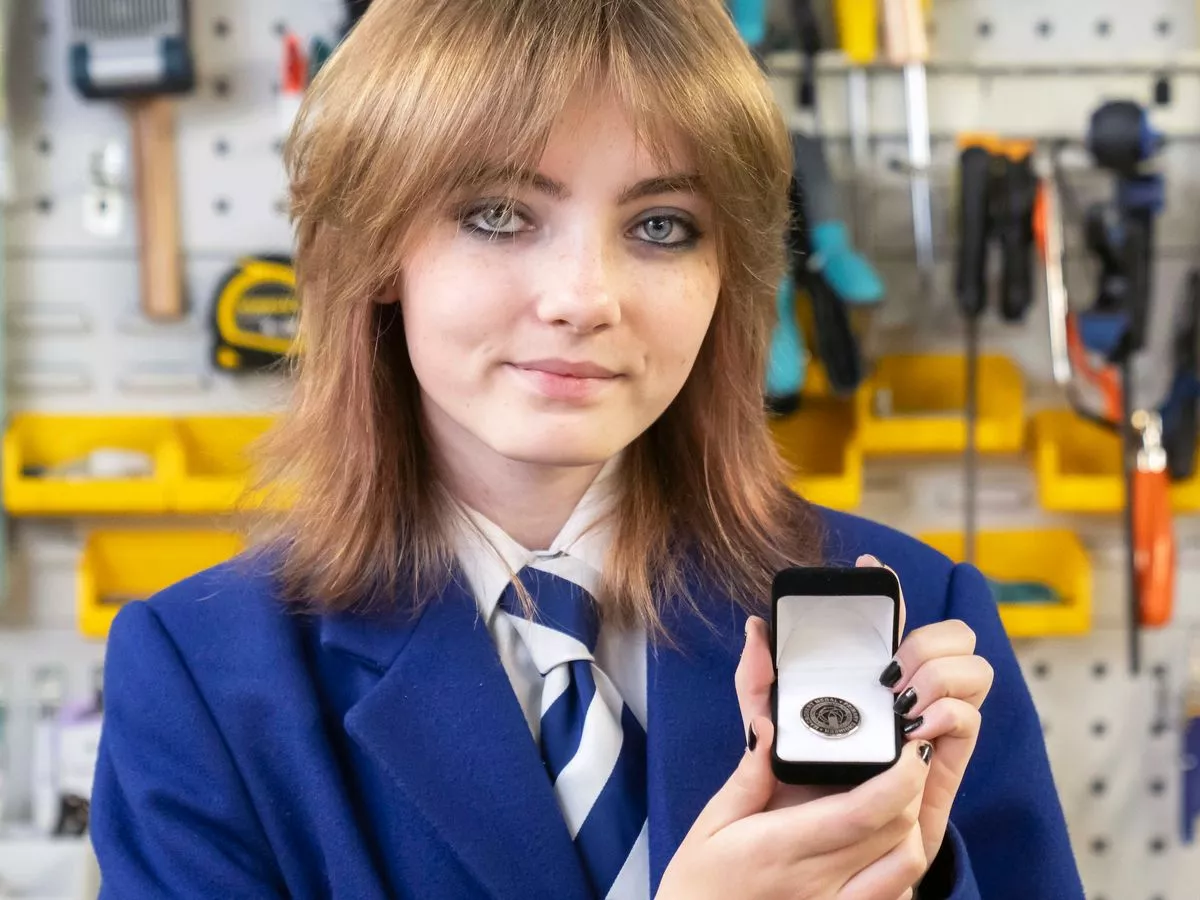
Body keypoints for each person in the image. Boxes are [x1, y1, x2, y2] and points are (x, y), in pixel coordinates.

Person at [90, 0, 1084, 897]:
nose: (584, 299)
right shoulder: (202, 682)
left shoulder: (916, 627)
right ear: (375, 248)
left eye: (661, 225)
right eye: (498, 215)